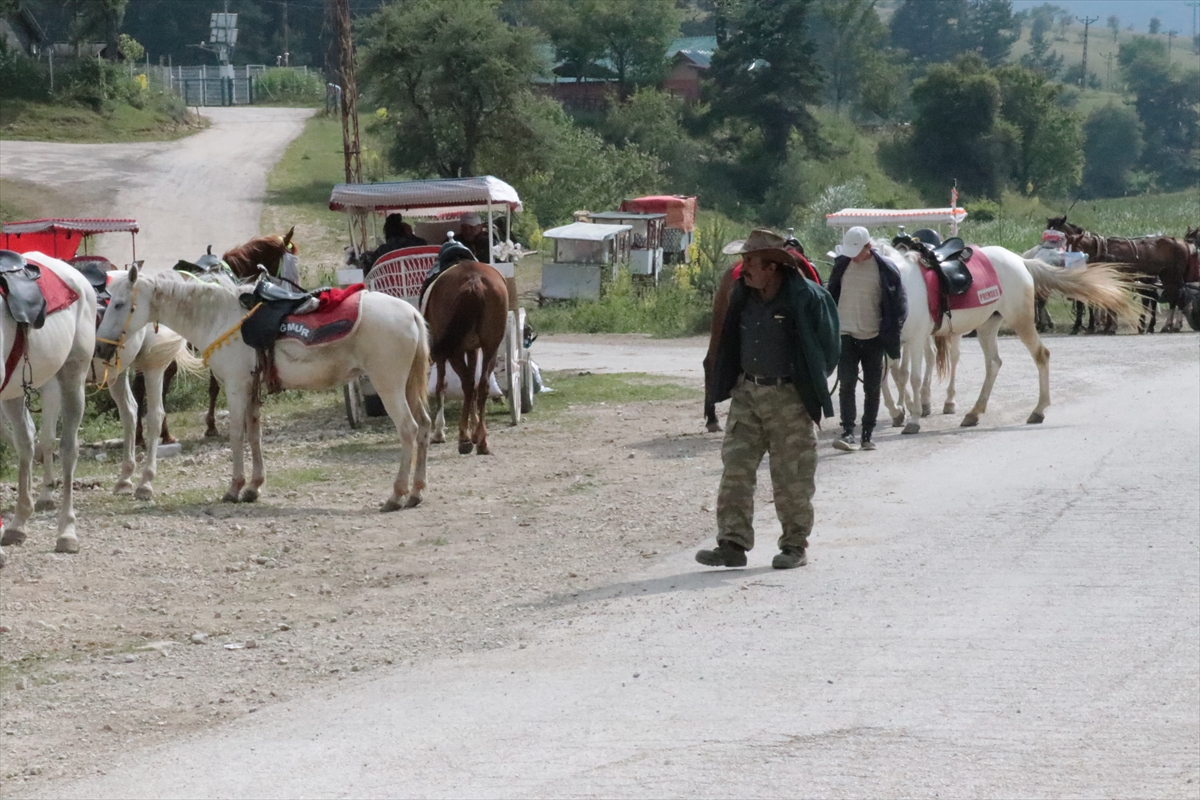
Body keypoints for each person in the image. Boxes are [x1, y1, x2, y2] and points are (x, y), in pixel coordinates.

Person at [695, 229, 841, 571]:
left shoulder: (808, 298)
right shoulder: (740, 294)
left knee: (792, 477)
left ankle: (793, 545)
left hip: (789, 397)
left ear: (772, 267)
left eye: (750, 261)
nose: (743, 268)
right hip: (747, 394)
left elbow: (830, 349)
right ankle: (732, 544)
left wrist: (806, 382)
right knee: (736, 468)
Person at [827, 226, 907, 452]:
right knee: (846, 384)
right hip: (846, 334)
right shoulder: (841, 266)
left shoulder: (886, 271)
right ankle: (848, 432)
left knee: (873, 387)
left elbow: (899, 306)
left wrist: (891, 333)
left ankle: (867, 434)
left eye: (857, 251)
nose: (853, 256)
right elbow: (831, 295)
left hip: (873, 337)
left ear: (868, 247)